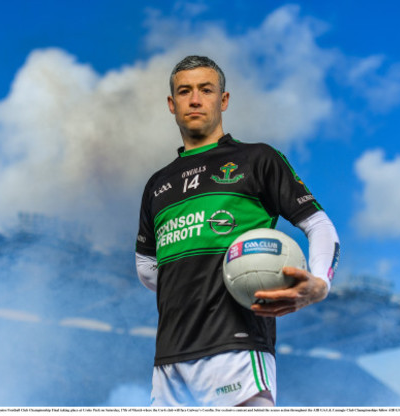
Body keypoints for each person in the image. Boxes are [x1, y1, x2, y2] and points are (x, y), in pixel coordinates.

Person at [135, 55, 340, 407]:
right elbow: (145, 266)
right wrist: (195, 281)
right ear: (172, 104)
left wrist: (320, 282)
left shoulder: (257, 159)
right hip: (169, 359)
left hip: (238, 350)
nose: (195, 99)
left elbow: (319, 224)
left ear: (223, 100)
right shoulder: (157, 184)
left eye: (206, 89)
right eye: (184, 91)